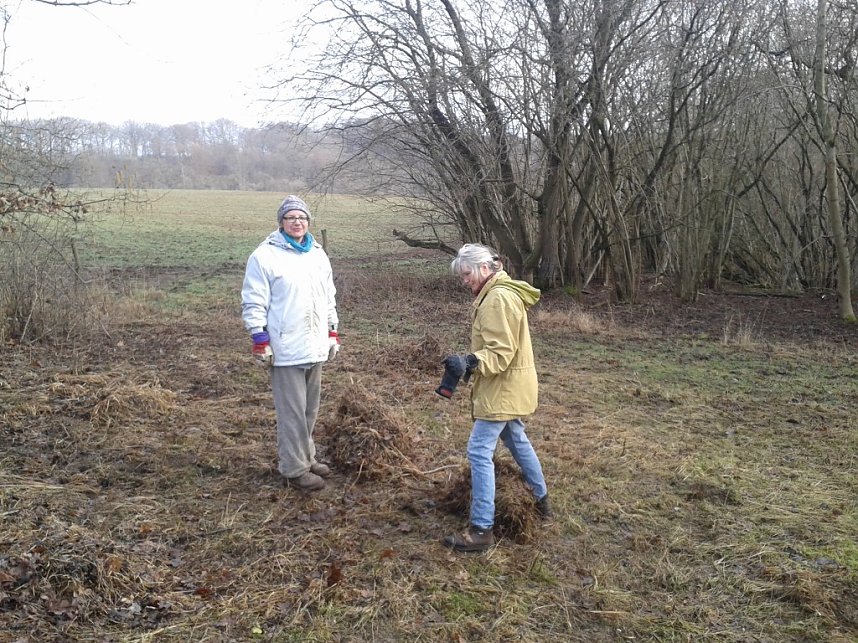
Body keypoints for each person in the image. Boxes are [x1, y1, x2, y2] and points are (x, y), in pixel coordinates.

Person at [441, 243, 552, 552]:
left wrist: (470, 362)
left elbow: (500, 352)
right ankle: (542, 501)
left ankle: (481, 529)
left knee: (478, 450)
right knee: (516, 439)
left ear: (485, 268)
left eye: (467, 274)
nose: (465, 281)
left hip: (503, 387)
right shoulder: (499, 293)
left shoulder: (497, 299)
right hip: (509, 385)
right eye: (461, 276)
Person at [241, 195, 339, 492]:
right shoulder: (265, 256)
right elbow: (254, 300)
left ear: (308, 222)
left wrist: (332, 332)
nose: (297, 222)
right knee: (292, 413)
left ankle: (307, 457)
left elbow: (328, 296)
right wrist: (260, 338)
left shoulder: (317, 254)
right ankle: (294, 469)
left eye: (302, 217)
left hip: (315, 345)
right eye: (291, 217)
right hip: (286, 347)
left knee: (309, 409)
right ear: (281, 222)